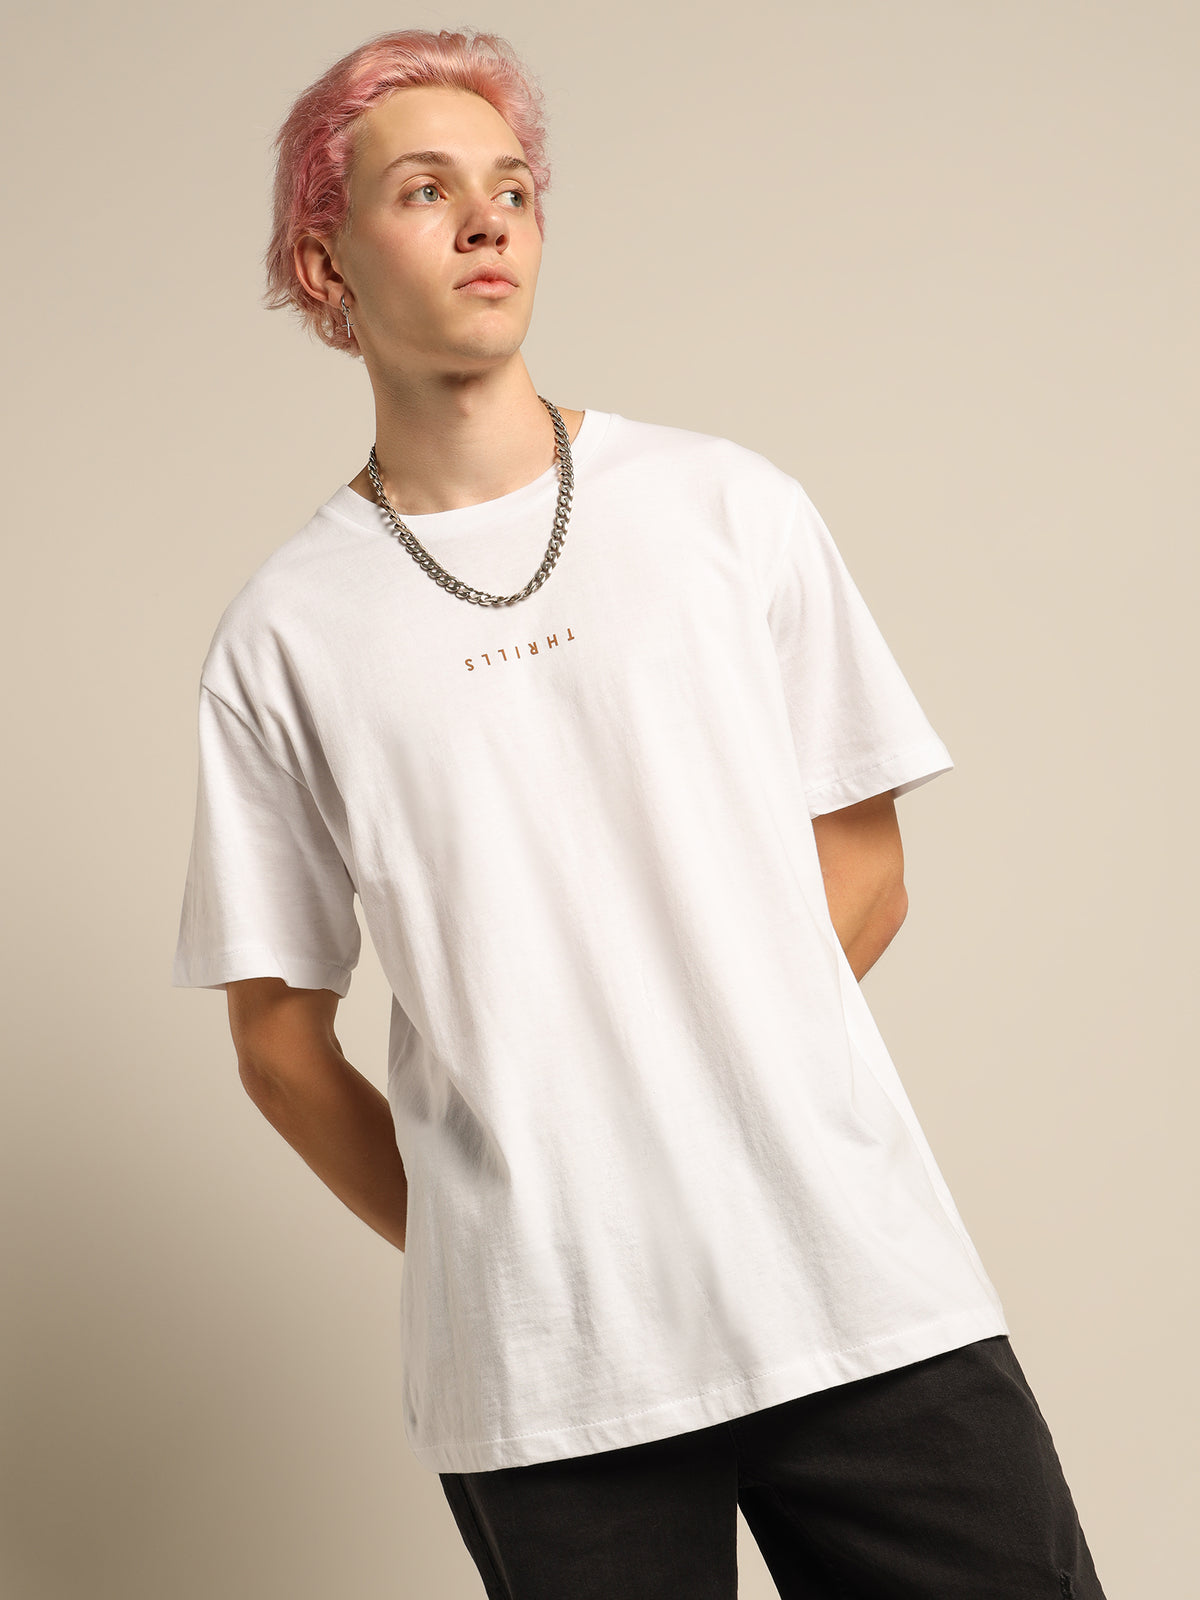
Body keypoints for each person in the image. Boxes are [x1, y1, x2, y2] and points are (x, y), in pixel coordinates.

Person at [170, 25, 1108, 1600]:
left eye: (513, 186)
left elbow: (866, 862)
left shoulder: (726, 509)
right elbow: (277, 1041)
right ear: (325, 261)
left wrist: (701, 1080)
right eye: (426, 190)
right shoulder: (286, 633)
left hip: (854, 1283)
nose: (488, 219)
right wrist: (500, 1236)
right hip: (549, 1380)